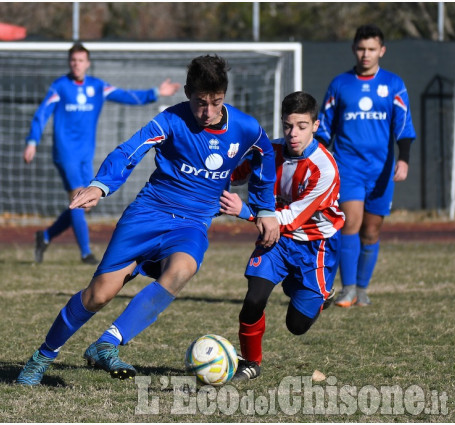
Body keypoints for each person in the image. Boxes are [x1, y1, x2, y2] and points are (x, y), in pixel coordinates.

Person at [16, 54, 280, 385]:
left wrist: (265, 208)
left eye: (216, 102)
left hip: (191, 224)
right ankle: (43, 355)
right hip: (147, 215)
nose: (208, 112)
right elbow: (129, 150)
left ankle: (107, 342)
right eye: (201, 102)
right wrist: (101, 185)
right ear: (187, 92)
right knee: (98, 295)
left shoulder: (245, 128)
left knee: (183, 269)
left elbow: (265, 155)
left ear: (224, 95)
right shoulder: (169, 121)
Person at [220, 91, 344, 381]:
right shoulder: (268, 151)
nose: (293, 134)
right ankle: (251, 362)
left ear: (315, 126)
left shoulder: (325, 168)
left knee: (297, 325)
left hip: (316, 245)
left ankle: (320, 293)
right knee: (254, 299)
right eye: (288, 126)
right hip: (276, 239)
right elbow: (235, 174)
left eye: (302, 126)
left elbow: (292, 218)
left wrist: (245, 212)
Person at [24, 42, 180, 265]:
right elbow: (41, 114)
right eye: (73, 60)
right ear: (69, 63)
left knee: (85, 203)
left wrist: (155, 93)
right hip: (65, 152)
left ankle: (46, 236)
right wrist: (32, 141)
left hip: (85, 154)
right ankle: (86, 253)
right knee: (79, 195)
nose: (76, 64)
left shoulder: (98, 86)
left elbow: (126, 96)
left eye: (80, 60)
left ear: (87, 63)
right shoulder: (60, 87)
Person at [315, 24, 416, 308]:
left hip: (381, 169)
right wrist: (317, 157)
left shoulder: (394, 84)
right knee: (350, 223)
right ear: (354, 50)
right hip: (348, 166)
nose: (366, 54)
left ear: (381, 51)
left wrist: (404, 159)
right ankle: (346, 290)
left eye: (372, 49)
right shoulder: (339, 84)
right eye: (361, 48)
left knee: (371, 231)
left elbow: (403, 125)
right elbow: (325, 129)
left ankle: (361, 289)